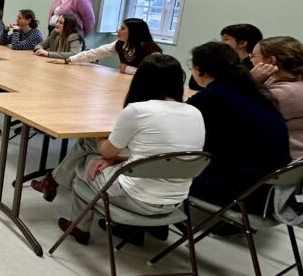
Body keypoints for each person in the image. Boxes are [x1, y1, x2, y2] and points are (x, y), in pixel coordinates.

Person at [30, 54, 206, 244]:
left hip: (136, 199)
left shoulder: (138, 110)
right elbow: (163, 156)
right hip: (175, 202)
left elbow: (106, 151)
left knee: (87, 160)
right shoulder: (195, 112)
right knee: (102, 155)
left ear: (140, 80)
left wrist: (99, 141)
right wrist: (116, 159)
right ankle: (54, 182)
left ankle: (78, 226)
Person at [187, 41, 289, 213]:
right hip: (271, 193)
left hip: (239, 193)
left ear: (198, 70)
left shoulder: (211, 98)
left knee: (158, 163)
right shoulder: (258, 94)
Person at [250, 36, 303, 158]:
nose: (250, 59)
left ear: (271, 61)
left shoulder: (284, 93)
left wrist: (250, 80)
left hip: (299, 165)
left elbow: (239, 117)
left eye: (253, 55)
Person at [47, 17, 158, 73]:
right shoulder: (120, 44)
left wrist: (128, 69)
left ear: (134, 32)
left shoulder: (151, 49)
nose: (118, 30)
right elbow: (96, 52)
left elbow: (155, 75)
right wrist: (68, 60)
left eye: (123, 29)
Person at [189, 23, 263, 90]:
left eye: (226, 39)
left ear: (242, 43)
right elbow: (194, 85)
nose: (221, 43)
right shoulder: (222, 62)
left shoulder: (255, 67)